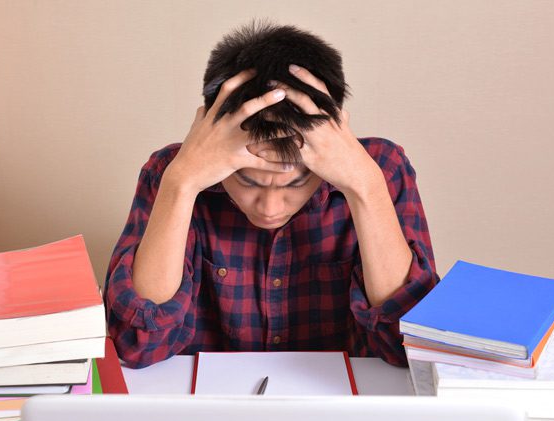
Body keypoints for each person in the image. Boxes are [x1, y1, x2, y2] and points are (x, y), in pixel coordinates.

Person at [104, 22, 439, 369]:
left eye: (295, 184)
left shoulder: (379, 169)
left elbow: (411, 350)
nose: (269, 208)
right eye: (248, 182)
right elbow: (136, 345)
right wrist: (181, 183)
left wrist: (364, 187)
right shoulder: (172, 171)